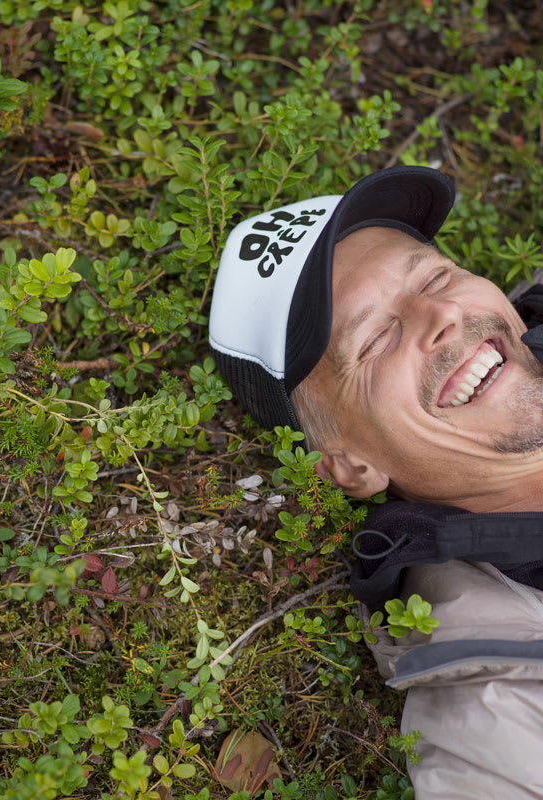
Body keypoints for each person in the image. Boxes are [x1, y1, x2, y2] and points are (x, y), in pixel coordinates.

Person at [209, 166, 543, 799]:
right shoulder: (502, 719)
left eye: (437, 277)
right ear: (351, 466)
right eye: (377, 338)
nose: (442, 313)